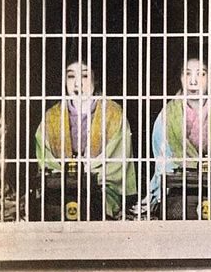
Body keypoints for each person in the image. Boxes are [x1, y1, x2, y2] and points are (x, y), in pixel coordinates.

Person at [143, 52, 211, 215]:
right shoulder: (168, 114)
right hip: (179, 186)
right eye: (187, 73)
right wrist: (185, 176)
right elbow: (163, 160)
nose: (193, 81)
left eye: (201, 74)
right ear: (180, 77)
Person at [35, 57, 136, 218]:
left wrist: (86, 174)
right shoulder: (51, 116)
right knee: (54, 207)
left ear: (97, 78)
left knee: (92, 207)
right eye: (71, 76)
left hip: (102, 187)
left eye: (84, 76)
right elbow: (46, 161)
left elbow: (116, 162)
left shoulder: (114, 113)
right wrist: (69, 177)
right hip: (61, 187)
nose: (77, 84)